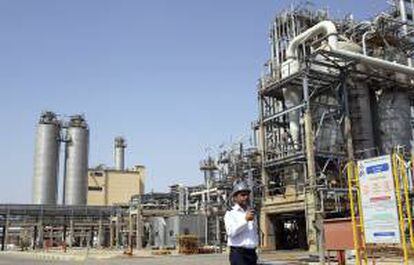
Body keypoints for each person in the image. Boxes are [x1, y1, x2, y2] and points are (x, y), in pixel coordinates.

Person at [224, 179, 259, 265]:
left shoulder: (251, 212)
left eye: (247, 195)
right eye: (242, 195)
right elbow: (230, 232)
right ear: (235, 197)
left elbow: (254, 233)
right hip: (239, 254)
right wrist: (245, 220)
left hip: (252, 253)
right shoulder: (230, 213)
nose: (246, 197)